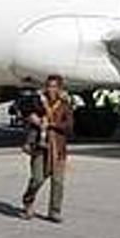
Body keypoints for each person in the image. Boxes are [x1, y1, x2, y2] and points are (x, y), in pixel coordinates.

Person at [21, 74, 74, 222]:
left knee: (57, 182)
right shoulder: (38, 102)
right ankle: (28, 201)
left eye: (54, 87)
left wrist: (51, 125)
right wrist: (33, 119)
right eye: (49, 86)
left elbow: (69, 127)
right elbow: (25, 112)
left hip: (58, 148)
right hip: (40, 146)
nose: (51, 89)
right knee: (37, 179)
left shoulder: (65, 105)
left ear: (60, 89)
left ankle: (54, 212)